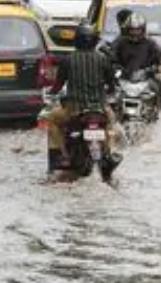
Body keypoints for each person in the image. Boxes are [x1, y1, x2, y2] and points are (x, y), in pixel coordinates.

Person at [46, 24, 121, 175]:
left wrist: (51, 93)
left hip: (74, 109)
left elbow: (58, 86)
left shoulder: (68, 60)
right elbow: (112, 85)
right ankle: (110, 152)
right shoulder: (103, 59)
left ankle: (63, 156)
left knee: (52, 120)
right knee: (112, 123)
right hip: (100, 108)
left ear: (77, 41)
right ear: (95, 41)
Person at [111, 13, 161, 77]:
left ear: (143, 30)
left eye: (138, 30)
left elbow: (160, 57)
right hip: (124, 77)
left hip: (146, 77)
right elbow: (113, 59)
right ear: (128, 30)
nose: (135, 33)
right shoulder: (120, 43)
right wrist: (116, 69)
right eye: (132, 30)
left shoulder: (150, 43)